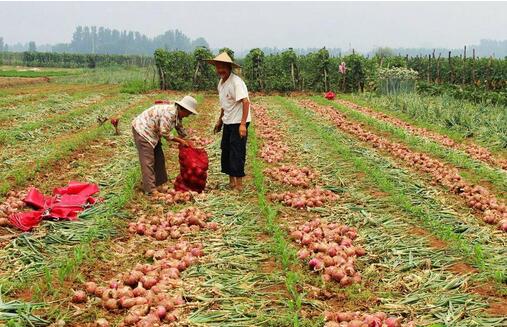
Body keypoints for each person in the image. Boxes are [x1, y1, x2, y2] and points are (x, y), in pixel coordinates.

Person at [132, 95, 198, 194]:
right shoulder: (170, 113)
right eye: (188, 113)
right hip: (143, 130)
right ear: (182, 108)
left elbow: (179, 127)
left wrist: (187, 139)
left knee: (159, 158)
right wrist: (180, 141)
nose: (188, 115)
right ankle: (150, 190)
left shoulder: (177, 114)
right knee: (148, 160)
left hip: (153, 132)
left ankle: (159, 184)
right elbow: (165, 133)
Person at [207, 52, 251, 191]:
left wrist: (243, 124)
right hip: (228, 121)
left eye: (223, 67)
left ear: (229, 67)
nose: (220, 70)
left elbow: (245, 102)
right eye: (218, 67)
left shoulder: (236, 83)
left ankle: (239, 185)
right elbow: (224, 104)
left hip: (238, 122)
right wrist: (219, 121)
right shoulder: (221, 83)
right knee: (226, 150)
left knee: (237, 152)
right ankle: (231, 181)